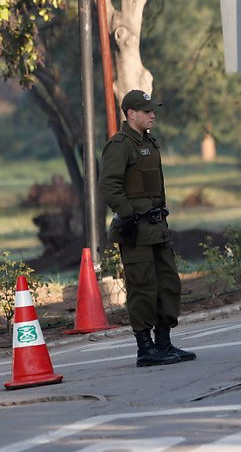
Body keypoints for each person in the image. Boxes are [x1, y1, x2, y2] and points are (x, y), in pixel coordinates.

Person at [99, 89, 196, 367]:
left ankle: (164, 343)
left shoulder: (150, 143)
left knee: (168, 284)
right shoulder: (120, 145)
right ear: (131, 114)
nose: (153, 114)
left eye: (153, 110)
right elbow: (109, 186)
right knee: (143, 287)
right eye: (147, 111)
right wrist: (128, 214)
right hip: (137, 230)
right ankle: (146, 349)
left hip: (157, 227)